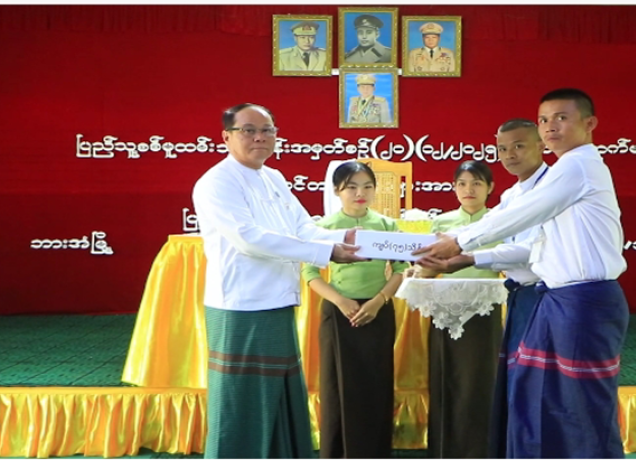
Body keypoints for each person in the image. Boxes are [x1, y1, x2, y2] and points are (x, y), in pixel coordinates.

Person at [415, 88, 630, 458]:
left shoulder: (578, 165)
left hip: (583, 300)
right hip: (558, 299)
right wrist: (459, 250)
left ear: (589, 123)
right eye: (544, 119)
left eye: (561, 118)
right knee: (543, 400)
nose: (550, 127)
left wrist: (460, 244)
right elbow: (520, 226)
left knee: (580, 407)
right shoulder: (561, 172)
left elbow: (522, 217)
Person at [192, 103, 364, 458]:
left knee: (280, 396)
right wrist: (326, 252)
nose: (260, 137)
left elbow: (303, 227)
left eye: (267, 130)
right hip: (241, 306)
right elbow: (248, 239)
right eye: (248, 130)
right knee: (241, 402)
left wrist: (345, 239)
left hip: (278, 301)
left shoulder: (273, 177)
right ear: (226, 137)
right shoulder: (216, 182)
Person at [301, 161, 408, 458]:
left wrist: (379, 300)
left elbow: (401, 269)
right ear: (337, 190)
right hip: (339, 314)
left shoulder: (386, 226)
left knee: (376, 385)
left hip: (378, 312)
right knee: (337, 387)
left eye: (367, 187)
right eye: (351, 187)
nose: (360, 193)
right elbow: (309, 273)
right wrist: (341, 301)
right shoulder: (325, 227)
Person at [425, 160, 504, 459]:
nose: (468, 189)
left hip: (483, 310)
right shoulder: (440, 223)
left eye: (476, 183)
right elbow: (428, 268)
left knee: (479, 381)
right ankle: (444, 450)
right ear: (454, 187)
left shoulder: (499, 222)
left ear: (490, 187)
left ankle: (481, 451)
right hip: (445, 311)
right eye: (462, 183)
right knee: (445, 378)